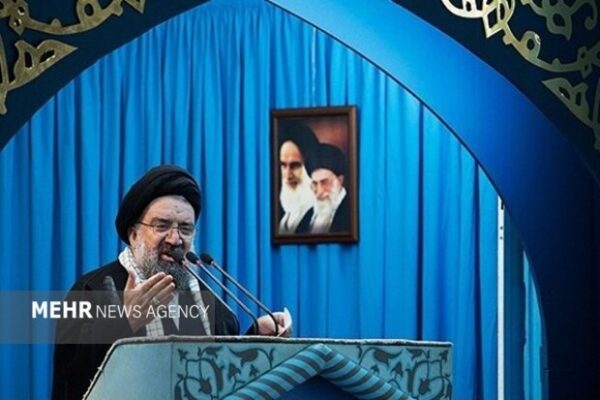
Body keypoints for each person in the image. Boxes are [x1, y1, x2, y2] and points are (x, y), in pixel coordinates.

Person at [52, 165, 286, 400]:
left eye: (185, 228)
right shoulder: (91, 289)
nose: (175, 239)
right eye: (162, 226)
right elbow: (70, 381)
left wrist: (257, 338)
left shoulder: (206, 299)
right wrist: (121, 323)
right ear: (134, 235)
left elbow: (222, 375)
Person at [277, 120, 318, 234]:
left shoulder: (319, 217)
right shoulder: (285, 218)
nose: (287, 175)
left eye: (295, 166)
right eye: (283, 165)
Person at [304, 143, 350, 234]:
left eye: (324, 182)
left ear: (340, 181)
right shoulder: (307, 217)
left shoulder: (351, 213)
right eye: (315, 184)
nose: (319, 192)